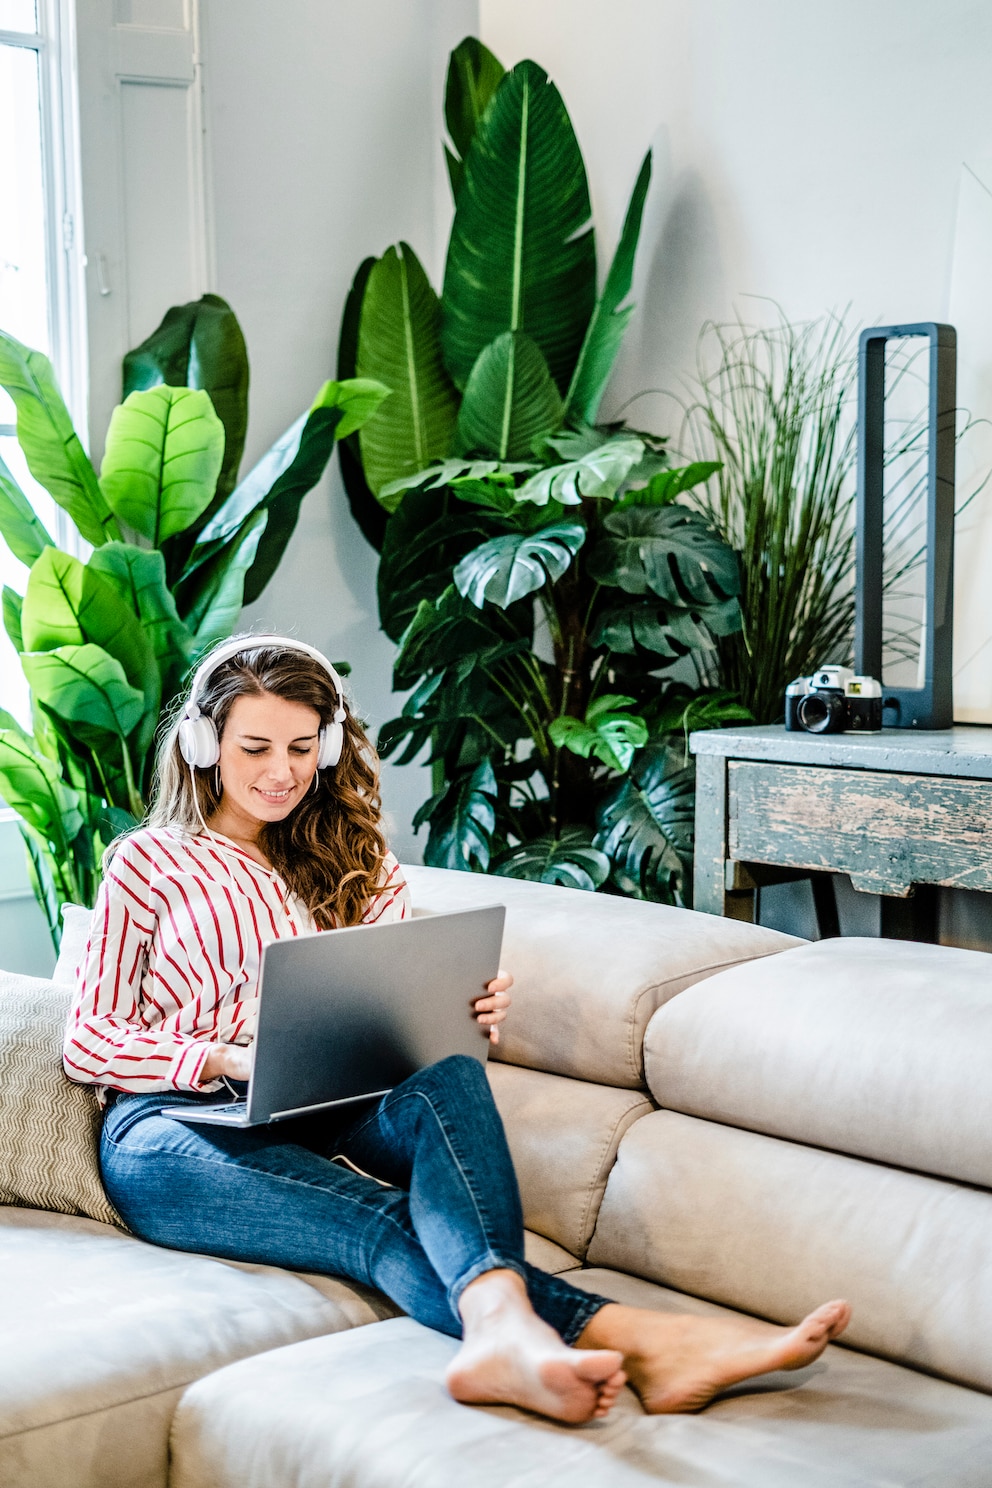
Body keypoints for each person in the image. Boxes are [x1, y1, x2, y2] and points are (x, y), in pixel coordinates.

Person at [64, 634, 851, 1425]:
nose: (281, 772)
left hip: (317, 1105)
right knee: (383, 1222)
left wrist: (453, 1013)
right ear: (205, 745)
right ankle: (630, 1341)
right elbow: (88, 1035)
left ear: (329, 745)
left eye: (303, 747)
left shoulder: (359, 861)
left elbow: (388, 1021)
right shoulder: (148, 862)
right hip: (172, 1127)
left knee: (448, 1076)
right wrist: (225, 1057)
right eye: (255, 747)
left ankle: (516, 1342)